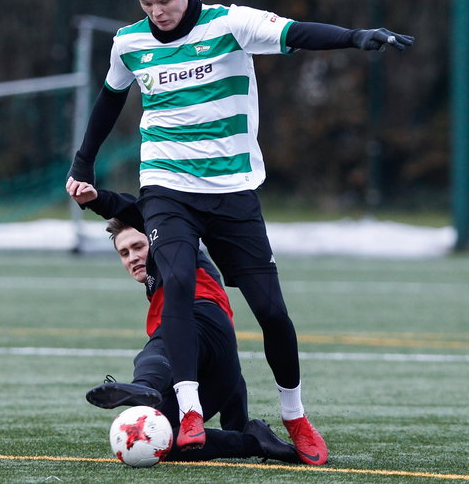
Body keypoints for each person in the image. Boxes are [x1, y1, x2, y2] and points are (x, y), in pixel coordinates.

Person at [66, 0, 414, 465]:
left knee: (272, 311)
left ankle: (295, 415)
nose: (157, 12)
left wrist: (357, 37)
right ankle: (186, 411)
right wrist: (82, 165)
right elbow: (109, 100)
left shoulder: (231, 24)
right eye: (146, 3)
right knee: (178, 281)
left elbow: (297, 32)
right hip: (167, 185)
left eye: (164, 0)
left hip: (232, 190)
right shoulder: (129, 42)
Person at [70, 181, 299, 464]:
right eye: (124, 253)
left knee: (161, 345)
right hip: (218, 367)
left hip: (200, 317)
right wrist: (238, 420)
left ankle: (143, 387)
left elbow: (133, 209)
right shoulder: (156, 285)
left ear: (156, 237)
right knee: (161, 439)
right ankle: (253, 442)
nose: (133, 257)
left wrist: (97, 199)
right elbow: (231, 375)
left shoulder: (176, 249)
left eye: (138, 246)